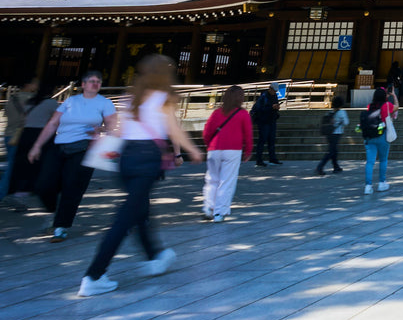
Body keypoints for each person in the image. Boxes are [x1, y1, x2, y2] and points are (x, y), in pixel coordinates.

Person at [79, 54, 202, 297]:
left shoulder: (131, 97)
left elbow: (120, 131)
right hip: (147, 158)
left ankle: (156, 256)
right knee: (125, 217)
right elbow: (174, 129)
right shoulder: (164, 98)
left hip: (127, 158)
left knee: (139, 209)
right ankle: (94, 275)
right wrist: (193, 150)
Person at [30, 71, 117, 241]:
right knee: (43, 185)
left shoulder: (105, 103)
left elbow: (113, 127)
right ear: (83, 85)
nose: (95, 84)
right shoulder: (70, 101)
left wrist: (101, 130)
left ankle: (61, 227)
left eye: (98, 81)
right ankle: (54, 212)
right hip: (59, 145)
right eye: (91, 81)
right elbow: (52, 123)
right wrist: (37, 145)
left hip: (85, 148)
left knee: (72, 188)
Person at [6, 78, 59, 209]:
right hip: (42, 135)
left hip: (25, 135)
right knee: (39, 166)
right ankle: (33, 192)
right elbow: (58, 120)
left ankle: (18, 194)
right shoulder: (52, 104)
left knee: (23, 166)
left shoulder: (31, 102)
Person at [204, 85, 254, 222]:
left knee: (212, 179)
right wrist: (248, 150)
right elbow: (248, 134)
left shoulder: (217, 112)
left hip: (214, 149)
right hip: (233, 150)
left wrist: (210, 145)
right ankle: (219, 213)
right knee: (227, 181)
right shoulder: (243, 114)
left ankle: (209, 207)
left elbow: (207, 132)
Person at [1, 76, 37, 199]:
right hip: (23, 136)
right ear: (29, 84)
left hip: (9, 134)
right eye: (35, 83)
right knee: (14, 168)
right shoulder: (32, 99)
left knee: (13, 165)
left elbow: (6, 115)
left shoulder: (12, 98)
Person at [360, 87, 396, 194]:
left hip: (369, 136)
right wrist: (393, 96)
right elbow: (396, 107)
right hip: (382, 135)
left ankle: (368, 186)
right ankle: (382, 182)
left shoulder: (369, 106)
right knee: (383, 160)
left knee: (370, 162)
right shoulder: (387, 105)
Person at [314, 94, 346, 176]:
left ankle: (336, 166)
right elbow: (346, 122)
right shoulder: (342, 112)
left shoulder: (330, 112)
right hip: (337, 133)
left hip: (329, 134)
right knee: (331, 151)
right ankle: (320, 167)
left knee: (334, 151)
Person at [250, 84, 281, 167]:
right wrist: (272, 107)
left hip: (271, 120)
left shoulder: (274, 96)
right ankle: (259, 160)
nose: (274, 92)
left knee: (272, 140)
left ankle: (272, 158)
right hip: (263, 121)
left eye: (275, 91)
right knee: (262, 140)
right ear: (269, 88)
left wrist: (276, 108)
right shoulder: (263, 96)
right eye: (273, 90)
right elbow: (260, 109)